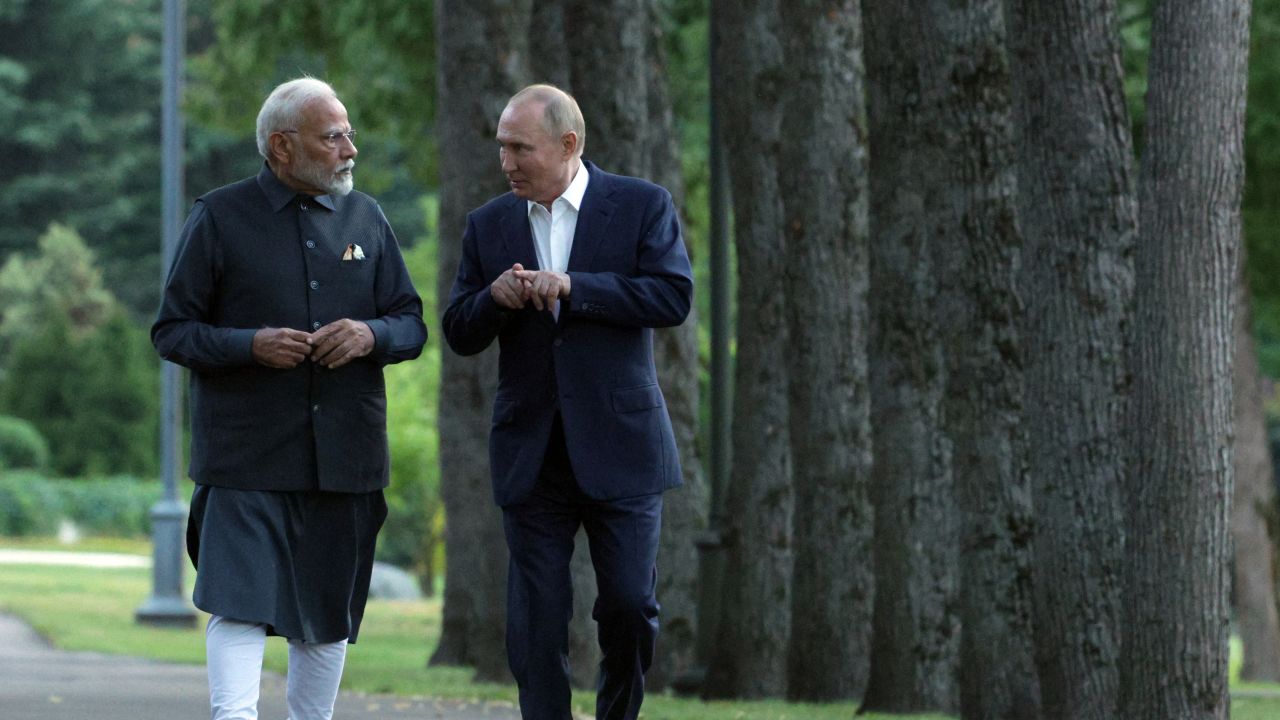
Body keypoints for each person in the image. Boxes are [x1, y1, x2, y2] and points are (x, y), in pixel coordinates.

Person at [152, 77, 426, 720]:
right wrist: (250, 345)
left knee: (327, 616)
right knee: (239, 601)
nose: (349, 149)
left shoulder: (369, 219)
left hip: (346, 458)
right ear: (282, 146)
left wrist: (369, 334)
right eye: (333, 137)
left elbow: (411, 324)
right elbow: (172, 330)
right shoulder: (218, 216)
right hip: (246, 457)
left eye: (348, 133)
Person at [442, 84, 693, 720]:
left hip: (623, 447)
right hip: (532, 452)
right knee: (537, 622)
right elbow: (458, 331)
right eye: (501, 148)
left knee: (631, 608)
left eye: (520, 148)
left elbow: (672, 297)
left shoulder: (641, 206)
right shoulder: (489, 224)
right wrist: (492, 299)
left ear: (568, 144)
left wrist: (576, 288)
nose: (507, 162)